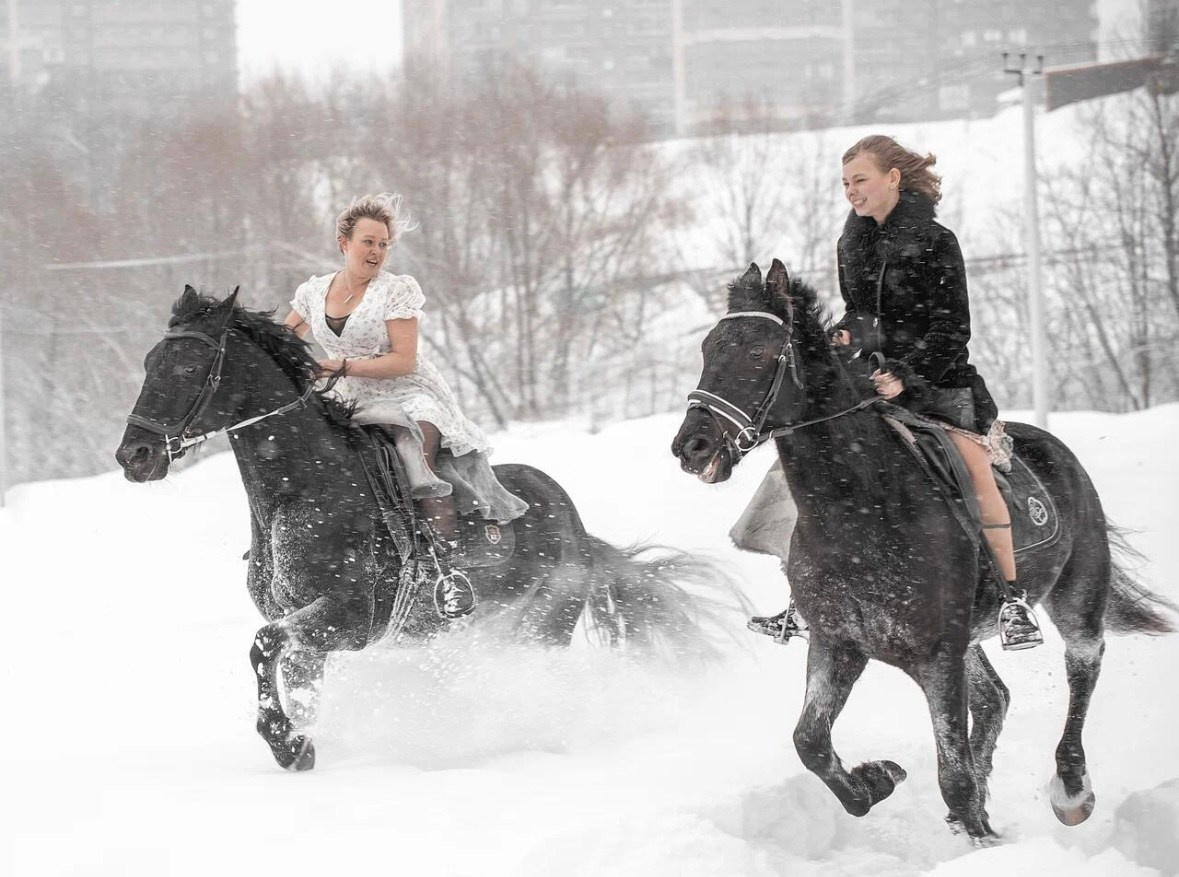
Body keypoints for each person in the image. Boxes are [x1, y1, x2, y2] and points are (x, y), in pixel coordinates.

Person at [748, 135, 1042, 650]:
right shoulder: (851, 244)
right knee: (807, 469)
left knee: (974, 476)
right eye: (844, 183)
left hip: (943, 386)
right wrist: (846, 334)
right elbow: (864, 317)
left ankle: (1012, 599)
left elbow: (954, 328)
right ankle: (805, 598)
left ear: (893, 178)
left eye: (859, 180)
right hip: (875, 386)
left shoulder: (936, 240)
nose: (851, 192)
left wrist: (909, 372)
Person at [283, 193, 528, 619]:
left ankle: (447, 572)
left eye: (383, 244)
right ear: (344, 241)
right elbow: (281, 342)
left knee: (415, 460)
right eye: (368, 242)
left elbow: (403, 360)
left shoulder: (396, 290)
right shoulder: (312, 292)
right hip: (347, 395)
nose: (377, 251)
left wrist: (339, 365)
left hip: (407, 392)